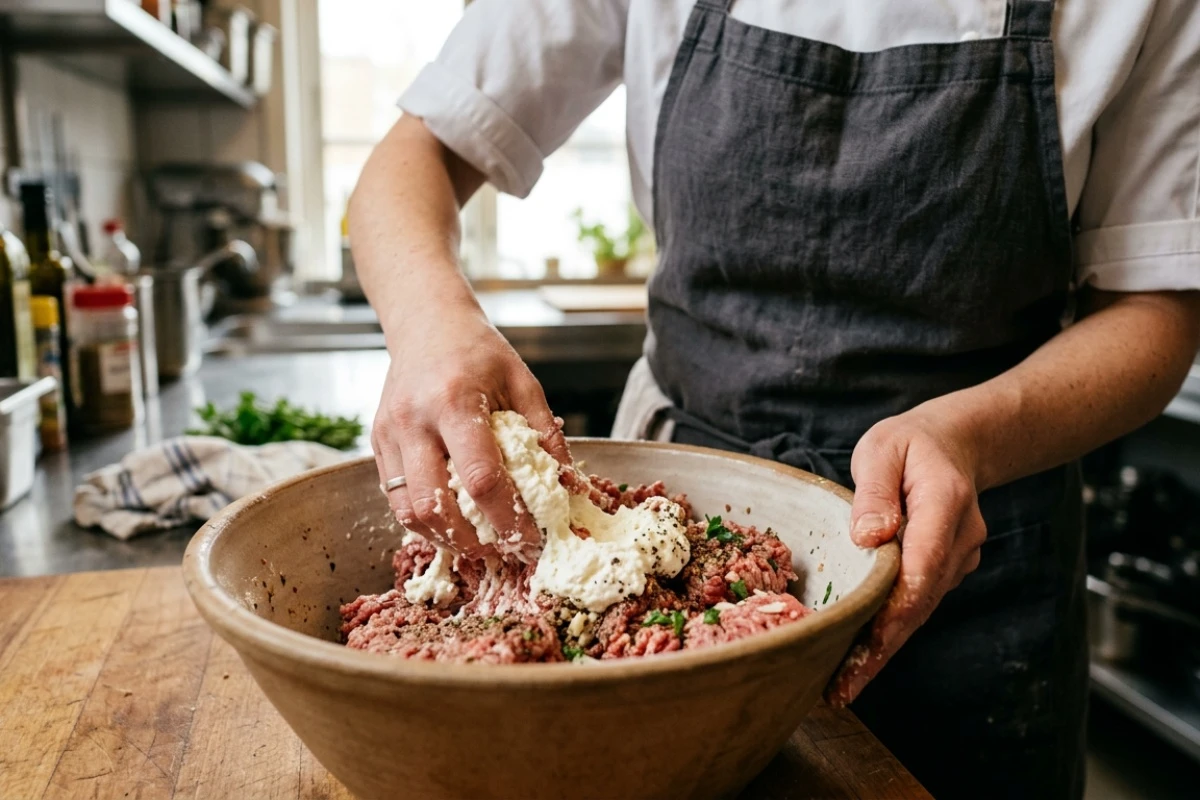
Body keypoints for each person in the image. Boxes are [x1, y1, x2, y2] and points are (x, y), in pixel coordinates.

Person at [349, 1, 1200, 796]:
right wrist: (432, 325)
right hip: (685, 502)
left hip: (975, 555)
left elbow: (1158, 311)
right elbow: (414, 159)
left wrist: (969, 436)